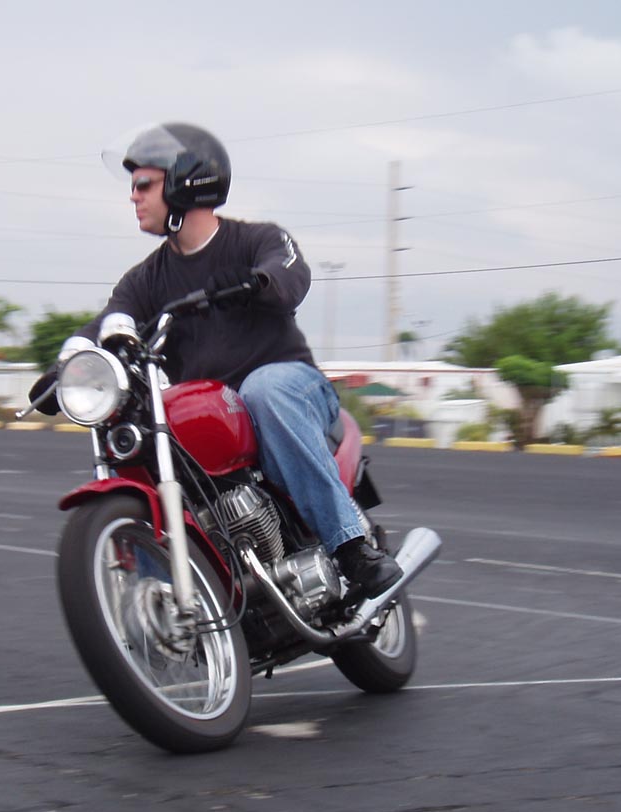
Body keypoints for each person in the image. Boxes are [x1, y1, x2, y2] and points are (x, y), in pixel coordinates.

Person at [31, 122, 401, 599]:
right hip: (216, 408)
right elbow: (107, 323)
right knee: (142, 434)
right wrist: (69, 367)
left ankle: (350, 547)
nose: (133, 196)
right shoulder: (145, 279)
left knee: (263, 390)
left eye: (144, 184)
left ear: (186, 183)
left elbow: (289, 271)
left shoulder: (255, 241)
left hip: (291, 388)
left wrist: (260, 282)